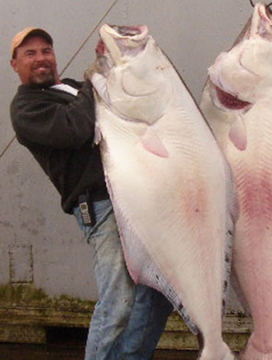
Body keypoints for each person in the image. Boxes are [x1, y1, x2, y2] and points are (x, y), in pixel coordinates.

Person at [9, 27, 173, 360]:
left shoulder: (71, 87)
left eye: (45, 50)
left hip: (133, 197)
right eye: (30, 54)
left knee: (159, 293)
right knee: (119, 303)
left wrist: (114, 64)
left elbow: (121, 105)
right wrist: (97, 74)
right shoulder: (26, 109)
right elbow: (76, 128)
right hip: (101, 207)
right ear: (14, 65)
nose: (41, 58)